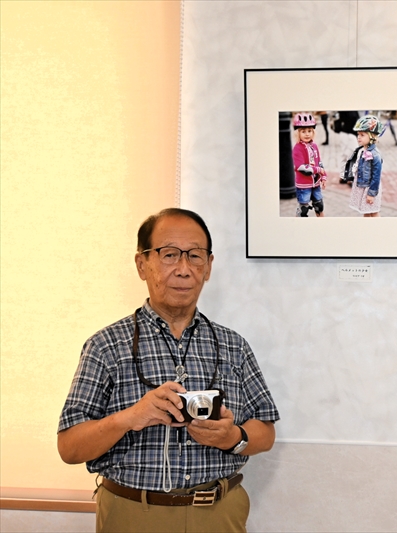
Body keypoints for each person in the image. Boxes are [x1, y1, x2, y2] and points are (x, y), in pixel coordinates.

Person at [58, 208, 279, 533]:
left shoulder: (234, 346)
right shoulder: (105, 346)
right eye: (169, 255)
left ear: (209, 267)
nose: (183, 269)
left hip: (219, 514)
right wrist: (130, 418)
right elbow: (69, 447)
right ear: (141, 264)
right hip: (131, 513)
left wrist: (233, 437)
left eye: (195, 256)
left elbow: (265, 432)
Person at [347, 115, 384, 218]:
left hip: (370, 188)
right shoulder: (362, 150)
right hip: (363, 186)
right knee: (366, 211)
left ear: (372, 136)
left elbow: (376, 176)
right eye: (358, 134)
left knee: (374, 211)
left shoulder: (375, 155)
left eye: (362, 135)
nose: (358, 137)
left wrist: (371, 194)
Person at [292, 113, 327, 217]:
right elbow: (302, 168)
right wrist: (317, 170)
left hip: (315, 184)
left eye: (309, 131)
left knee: (319, 206)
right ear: (297, 133)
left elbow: (319, 162)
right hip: (303, 185)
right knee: (303, 210)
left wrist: (323, 176)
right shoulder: (297, 148)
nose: (307, 134)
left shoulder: (314, 146)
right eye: (303, 131)